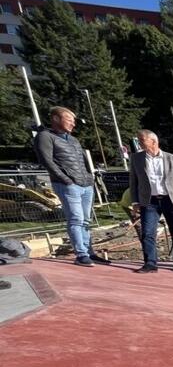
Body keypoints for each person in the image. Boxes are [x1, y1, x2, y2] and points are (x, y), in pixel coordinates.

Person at [33, 107, 109, 267]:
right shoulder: (45, 137)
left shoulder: (73, 140)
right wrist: (65, 180)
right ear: (55, 119)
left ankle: (90, 252)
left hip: (86, 184)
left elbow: (82, 161)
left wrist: (90, 177)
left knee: (86, 220)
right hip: (68, 185)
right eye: (69, 120)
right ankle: (81, 254)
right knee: (76, 219)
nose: (73, 124)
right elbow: (47, 161)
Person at [129, 130, 173, 273]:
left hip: (170, 199)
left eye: (142, 140)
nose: (139, 143)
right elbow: (133, 182)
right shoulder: (136, 158)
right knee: (148, 233)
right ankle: (150, 263)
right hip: (149, 201)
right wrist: (135, 202)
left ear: (154, 141)